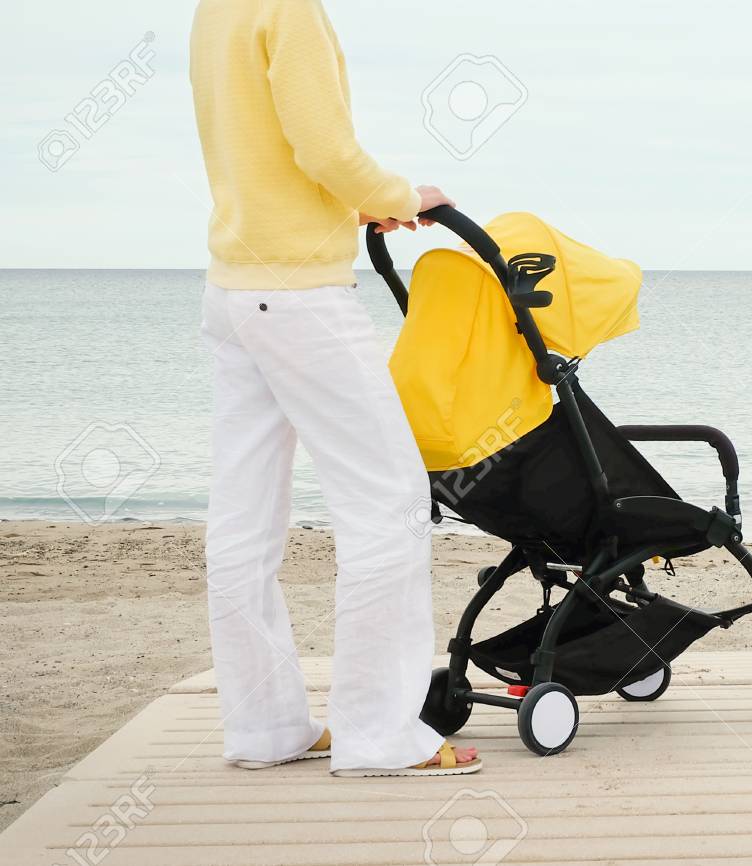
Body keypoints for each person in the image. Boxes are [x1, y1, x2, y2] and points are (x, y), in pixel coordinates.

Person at [189, 0, 479, 777]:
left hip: (235, 290)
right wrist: (397, 196)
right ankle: (379, 735)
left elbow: (262, 154)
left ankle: (264, 726)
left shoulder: (217, 10)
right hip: (301, 299)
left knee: (245, 520)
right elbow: (323, 146)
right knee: (390, 501)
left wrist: (355, 208)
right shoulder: (289, 8)